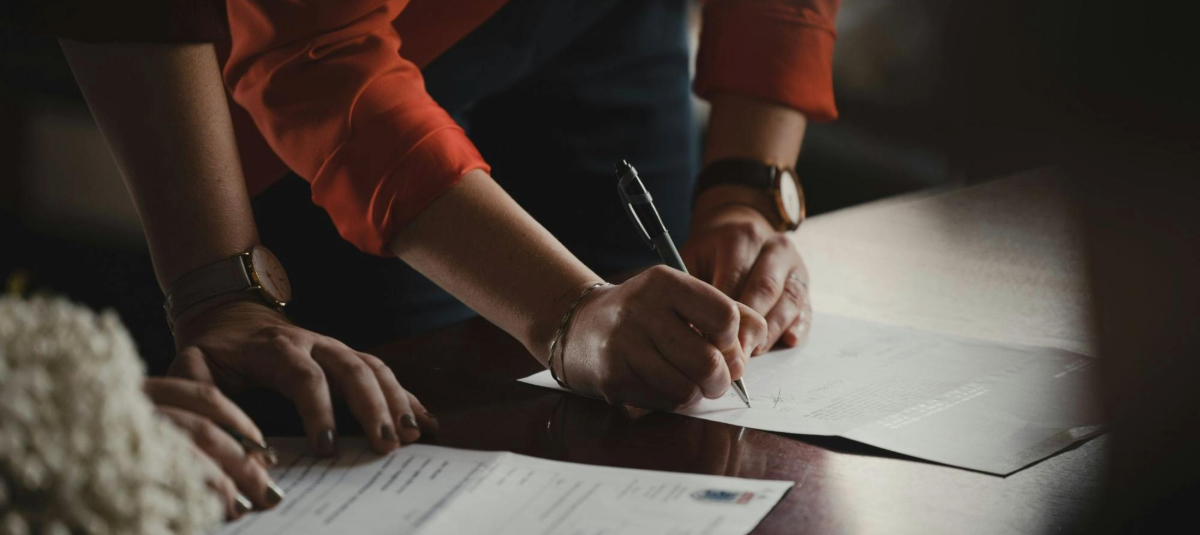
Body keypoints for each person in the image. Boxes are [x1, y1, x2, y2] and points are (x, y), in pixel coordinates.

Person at [152, 0, 836, 450]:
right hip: (352, 66)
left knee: (648, 397)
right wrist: (564, 309)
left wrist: (744, 188)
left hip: (612, 20)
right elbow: (316, 55)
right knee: (414, 439)